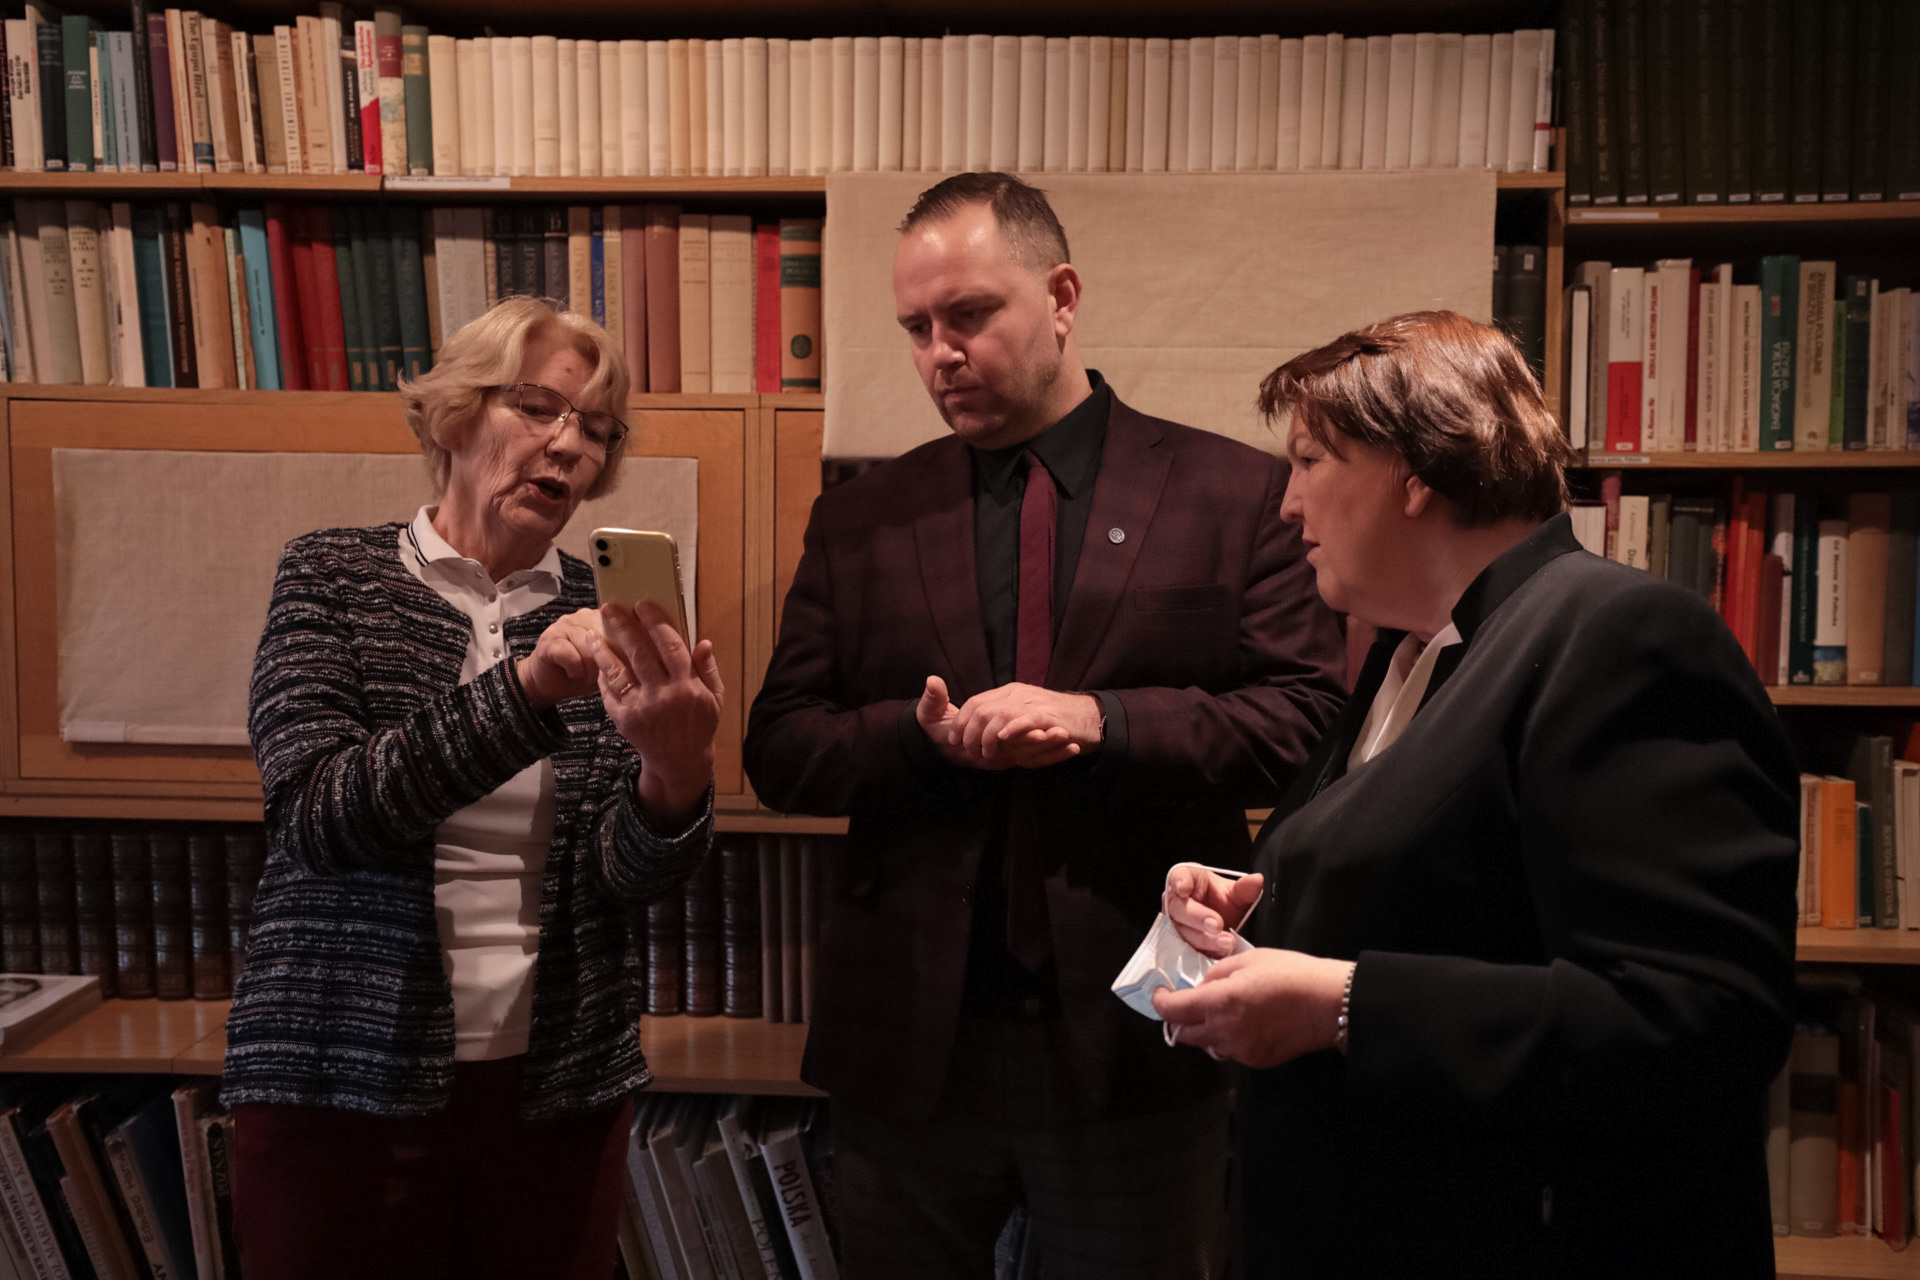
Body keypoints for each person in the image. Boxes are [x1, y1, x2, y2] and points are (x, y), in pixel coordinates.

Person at [743, 172, 1346, 1279]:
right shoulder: (863, 516)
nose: (940, 353)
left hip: (1139, 1034)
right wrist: (921, 739)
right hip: (911, 1045)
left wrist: (1099, 721)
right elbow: (780, 749)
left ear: (1062, 297)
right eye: (916, 328)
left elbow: (1304, 722)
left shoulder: (1234, 493)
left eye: (969, 315)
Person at [1154, 311, 1800, 1276]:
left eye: (1310, 461)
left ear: (1416, 470)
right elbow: (1454, 889)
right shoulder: (1412, 651)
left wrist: (1342, 1005)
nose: (1286, 505)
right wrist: (1258, 904)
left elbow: (1700, 1019)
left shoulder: (1621, 636)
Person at [222, 297, 724, 1280]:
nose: (569, 445)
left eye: (596, 428)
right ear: (454, 414)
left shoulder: (605, 610)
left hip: (556, 1090)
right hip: (340, 1081)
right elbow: (319, 818)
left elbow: (625, 878)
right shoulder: (332, 576)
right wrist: (527, 687)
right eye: (538, 407)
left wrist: (675, 772)